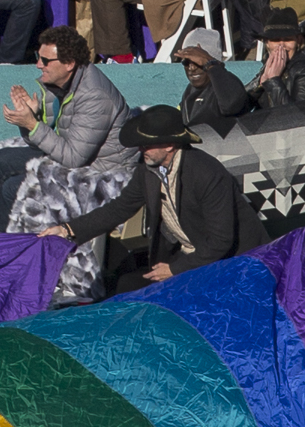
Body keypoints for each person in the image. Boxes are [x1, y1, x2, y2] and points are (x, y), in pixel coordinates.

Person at [57, 103, 251, 296]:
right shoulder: (148, 170)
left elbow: (220, 241)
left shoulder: (207, 173)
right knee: (125, 286)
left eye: (147, 144)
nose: (141, 149)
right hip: (189, 258)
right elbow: (119, 208)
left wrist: (175, 269)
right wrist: (68, 230)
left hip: (230, 263)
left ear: (169, 145)